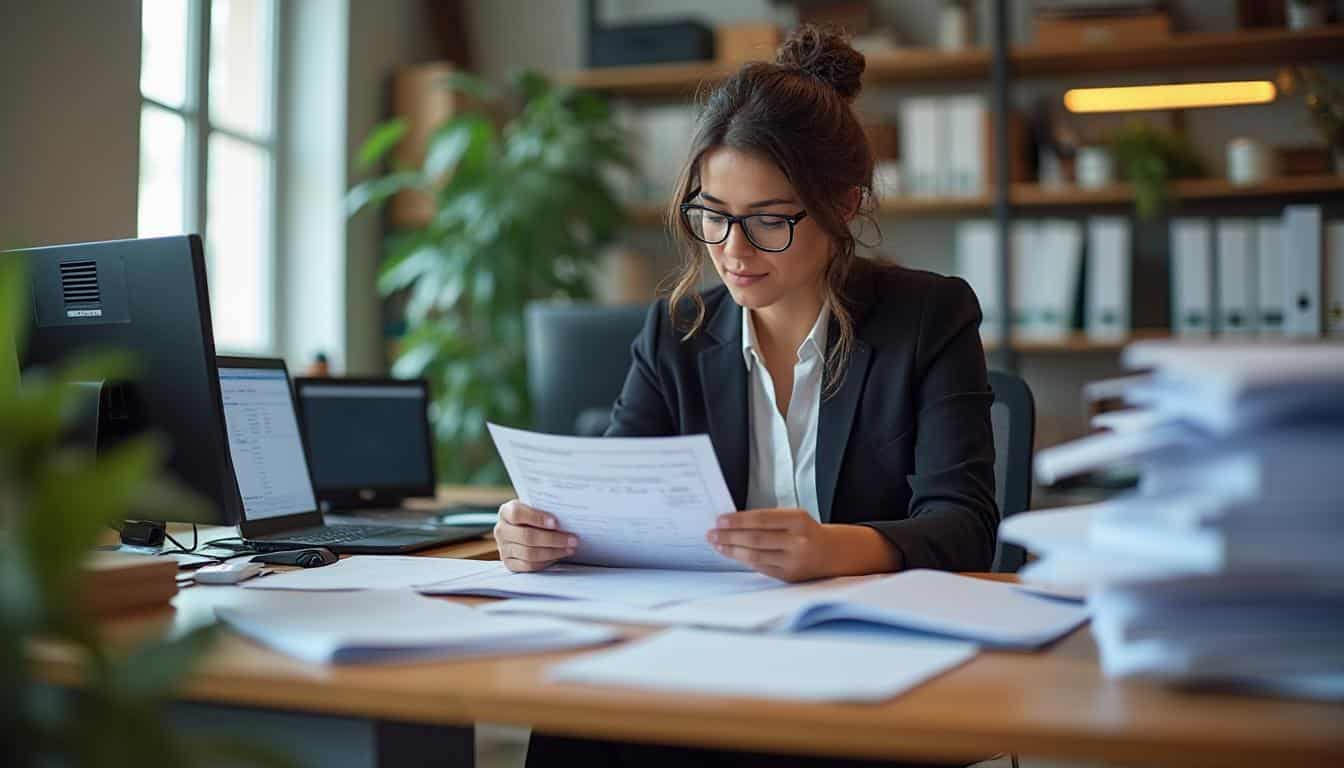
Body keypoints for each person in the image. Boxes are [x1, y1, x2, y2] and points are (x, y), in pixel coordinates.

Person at [497, 23, 998, 768]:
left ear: (844, 205)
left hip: (865, 660)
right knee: (574, 719)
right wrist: (540, 529)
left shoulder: (929, 318)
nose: (731, 249)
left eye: (768, 220)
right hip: (712, 651)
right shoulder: (678, 332)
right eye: (713, 213)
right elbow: (614, 500)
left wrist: (835, 548)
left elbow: (965, 528)